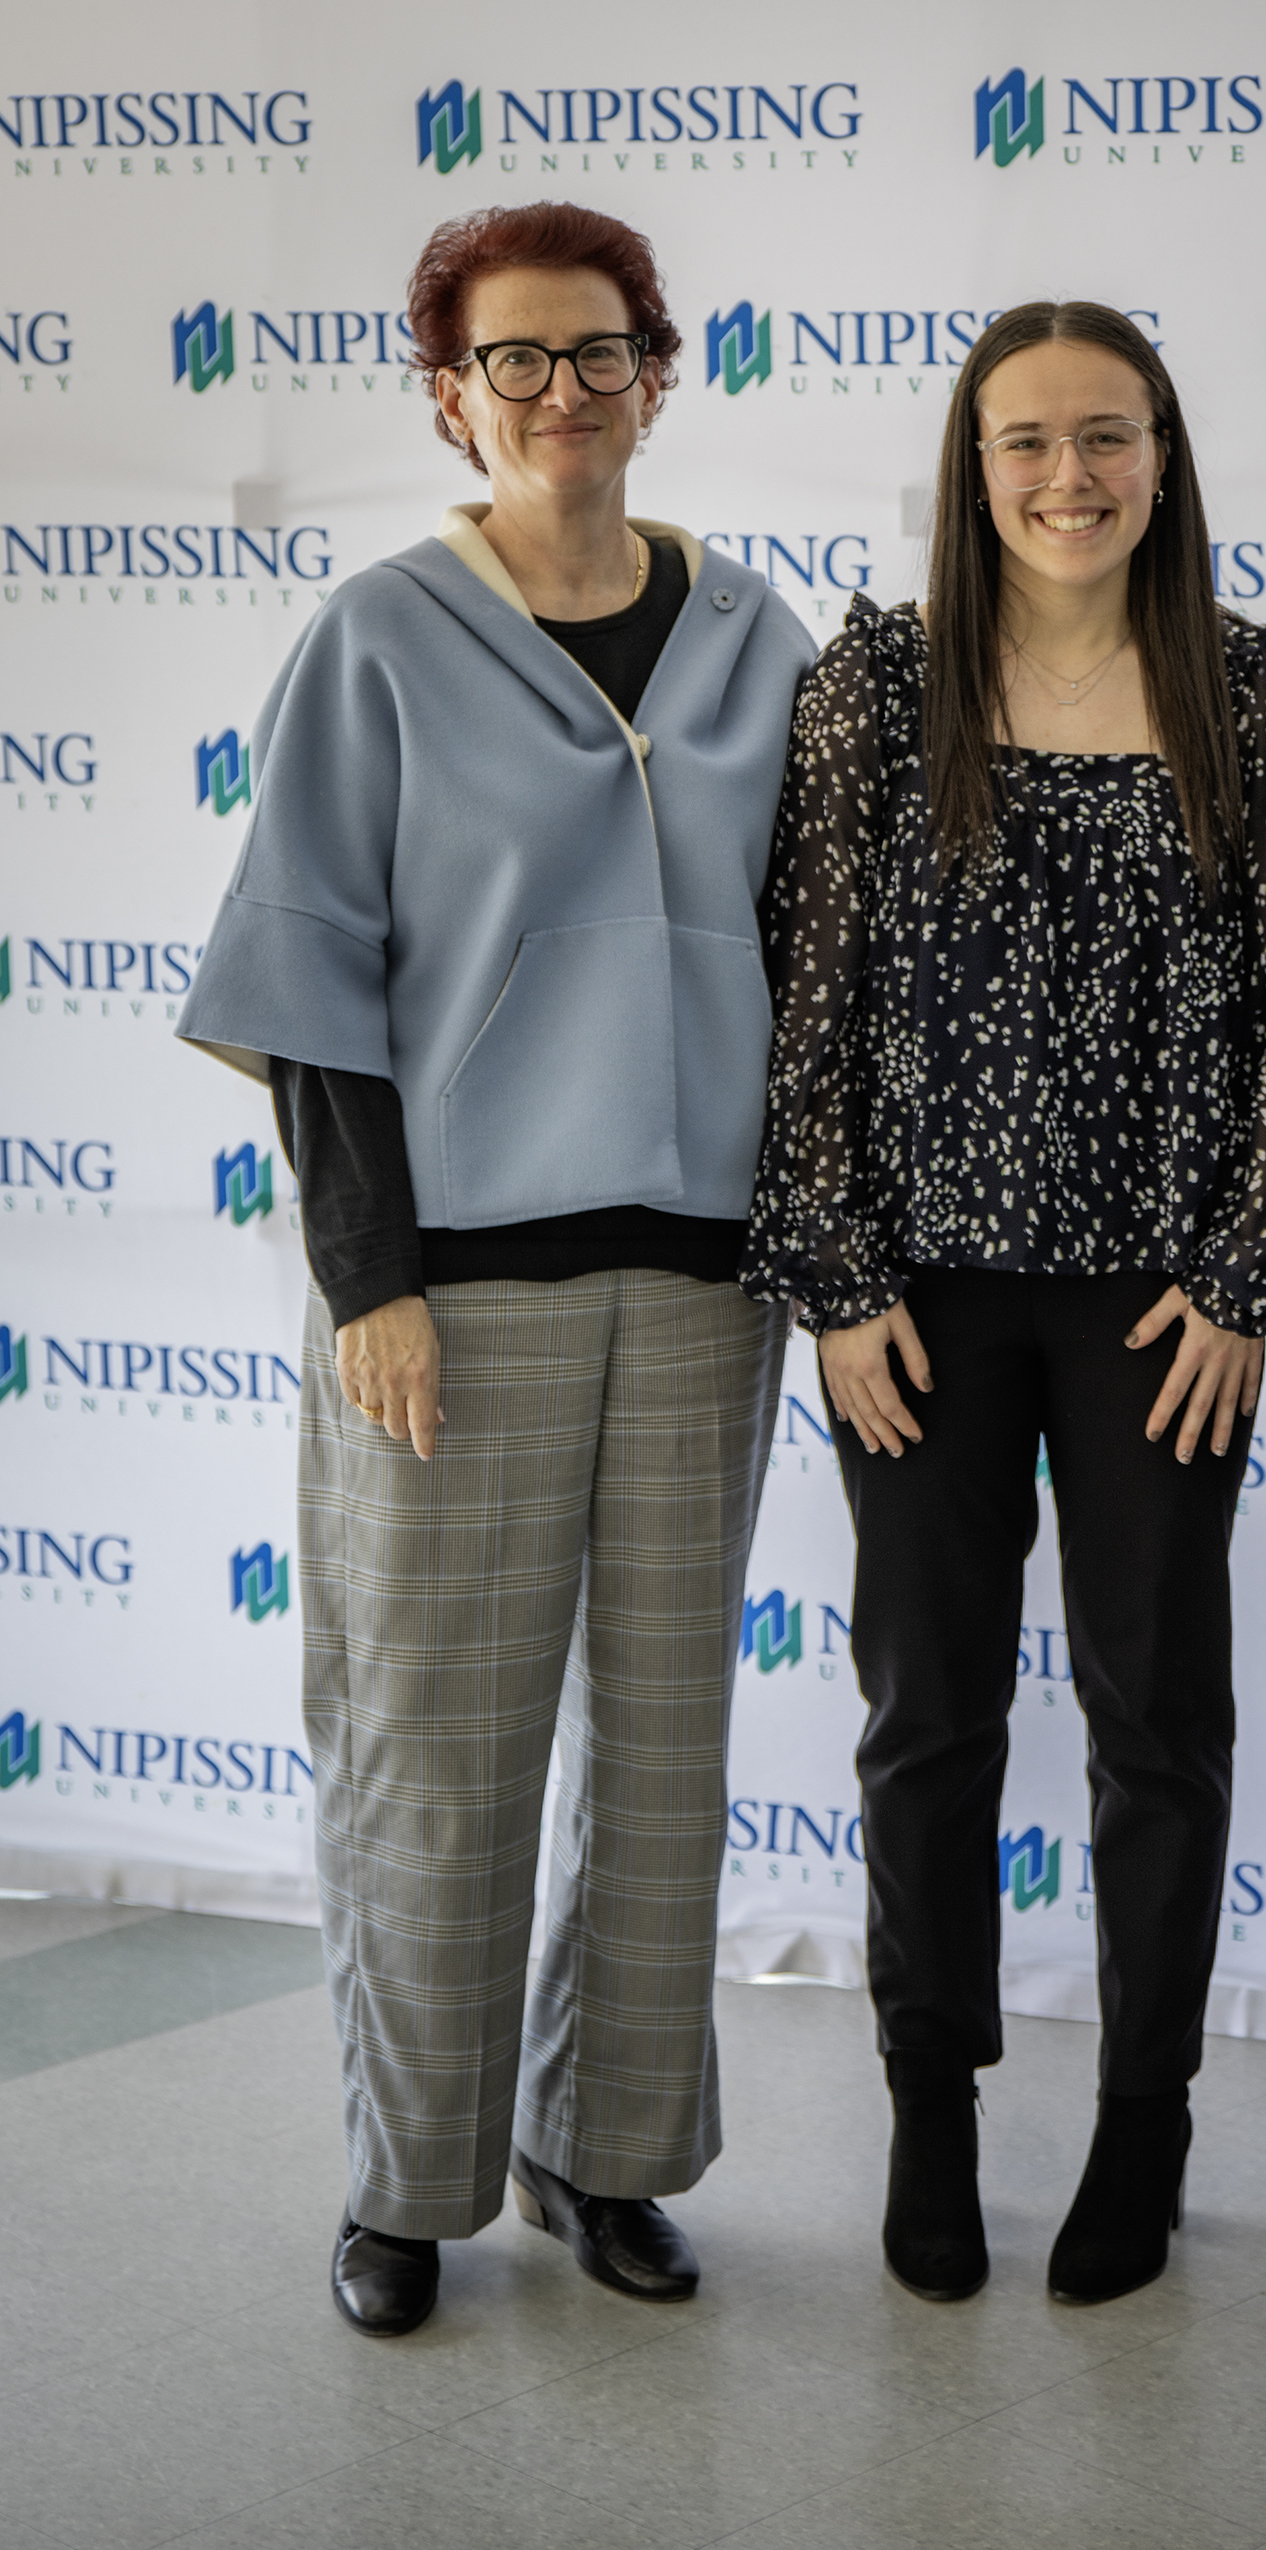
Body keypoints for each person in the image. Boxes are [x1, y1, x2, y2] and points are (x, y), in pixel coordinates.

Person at [176, 201, 815, 2337]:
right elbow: (309, 977)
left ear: (663, 370)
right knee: (431, 1759)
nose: (562, 392)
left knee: (663, 1758)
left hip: (702, 1283)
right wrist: (367, 1280)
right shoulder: (373, 637)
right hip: (447, 1293)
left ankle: (602, 2155)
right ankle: (406, 2185)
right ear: (450, 392)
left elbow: (819, 970)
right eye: (515, 360)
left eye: (600, 352)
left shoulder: (758, 637)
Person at [743, 301, 1266, 2308]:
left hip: (1163, 1314)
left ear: (1164, 455)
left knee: (1154, 1724)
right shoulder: (875, 687)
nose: (1067, 480)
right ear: (967, 467)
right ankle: (932, 2113)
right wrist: (828, 1279)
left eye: (1107, 437)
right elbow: (803, 996)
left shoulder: (1245, 693)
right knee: (928, 1719)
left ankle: (1143, 2134)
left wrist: (1248, 1272)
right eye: (1025, 444)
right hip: (915, 1300)